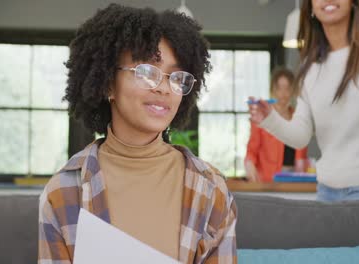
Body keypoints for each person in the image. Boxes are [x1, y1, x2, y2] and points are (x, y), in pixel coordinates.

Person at [38, 4, 237, 264]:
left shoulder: (212, 189)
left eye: (175, 77)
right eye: (146, 72)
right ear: (108, 82)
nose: (164, 88)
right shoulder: (63, 192)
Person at [248, 0, 359, 201]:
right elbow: (301, 135)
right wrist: (270, 118)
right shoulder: (309, 68)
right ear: (311, 6)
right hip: (327, 191)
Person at [245, 68, 308, 182]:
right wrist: (249, 165)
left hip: (295, 179)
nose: (283, 94)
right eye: (279, 88)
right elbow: (251, 150)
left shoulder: (298, 117)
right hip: (268, 180)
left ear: (293, 91)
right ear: (272, 90)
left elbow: (302, 153)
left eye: (287, 88)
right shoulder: (263, 117)